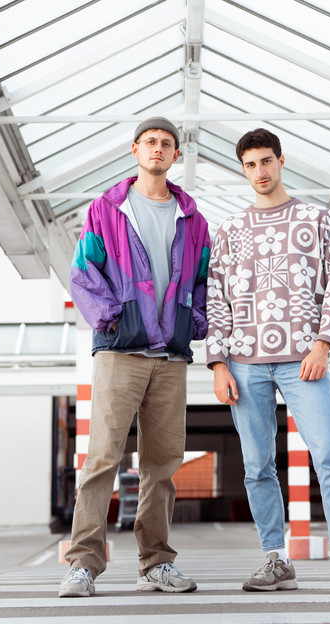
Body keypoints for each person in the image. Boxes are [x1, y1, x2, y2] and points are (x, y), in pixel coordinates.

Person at [206, 128, 330, 595]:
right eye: (250, 164)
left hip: (303, 359)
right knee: (257, 465)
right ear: (243, 170)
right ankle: (275, 560)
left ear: (281, 161)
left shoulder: (316, 218)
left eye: (266, 161)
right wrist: (218, 363)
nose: (259, 171)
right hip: (244, 362)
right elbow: (215, 296)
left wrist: (324, 344)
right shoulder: (230, 229)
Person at [60, 116, 211, 597]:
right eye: (150, 142)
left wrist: (195, 321)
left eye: (166, 143)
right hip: (120, 351)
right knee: (102, 458)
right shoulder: (107, 210)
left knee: (162, 465)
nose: (157, 149)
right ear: (135, 150)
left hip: (171, 356)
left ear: (176, 155)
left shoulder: (193, 219)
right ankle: (83, 564)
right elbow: (83, 271)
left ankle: (156, 564)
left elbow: (203, 280)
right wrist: (111, 317)